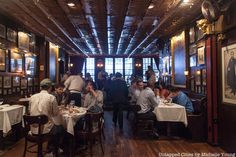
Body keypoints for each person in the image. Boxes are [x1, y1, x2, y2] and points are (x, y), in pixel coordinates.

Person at [29, 78, 64, 153]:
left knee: (54, 125)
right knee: (60, 127)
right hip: (45, 130)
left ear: (41, 87)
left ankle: (50, 148)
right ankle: (53, 149)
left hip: (33, 130)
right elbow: (55, 113)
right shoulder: (51, 97)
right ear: (50, 87)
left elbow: (29, 111)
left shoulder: (32, 97)